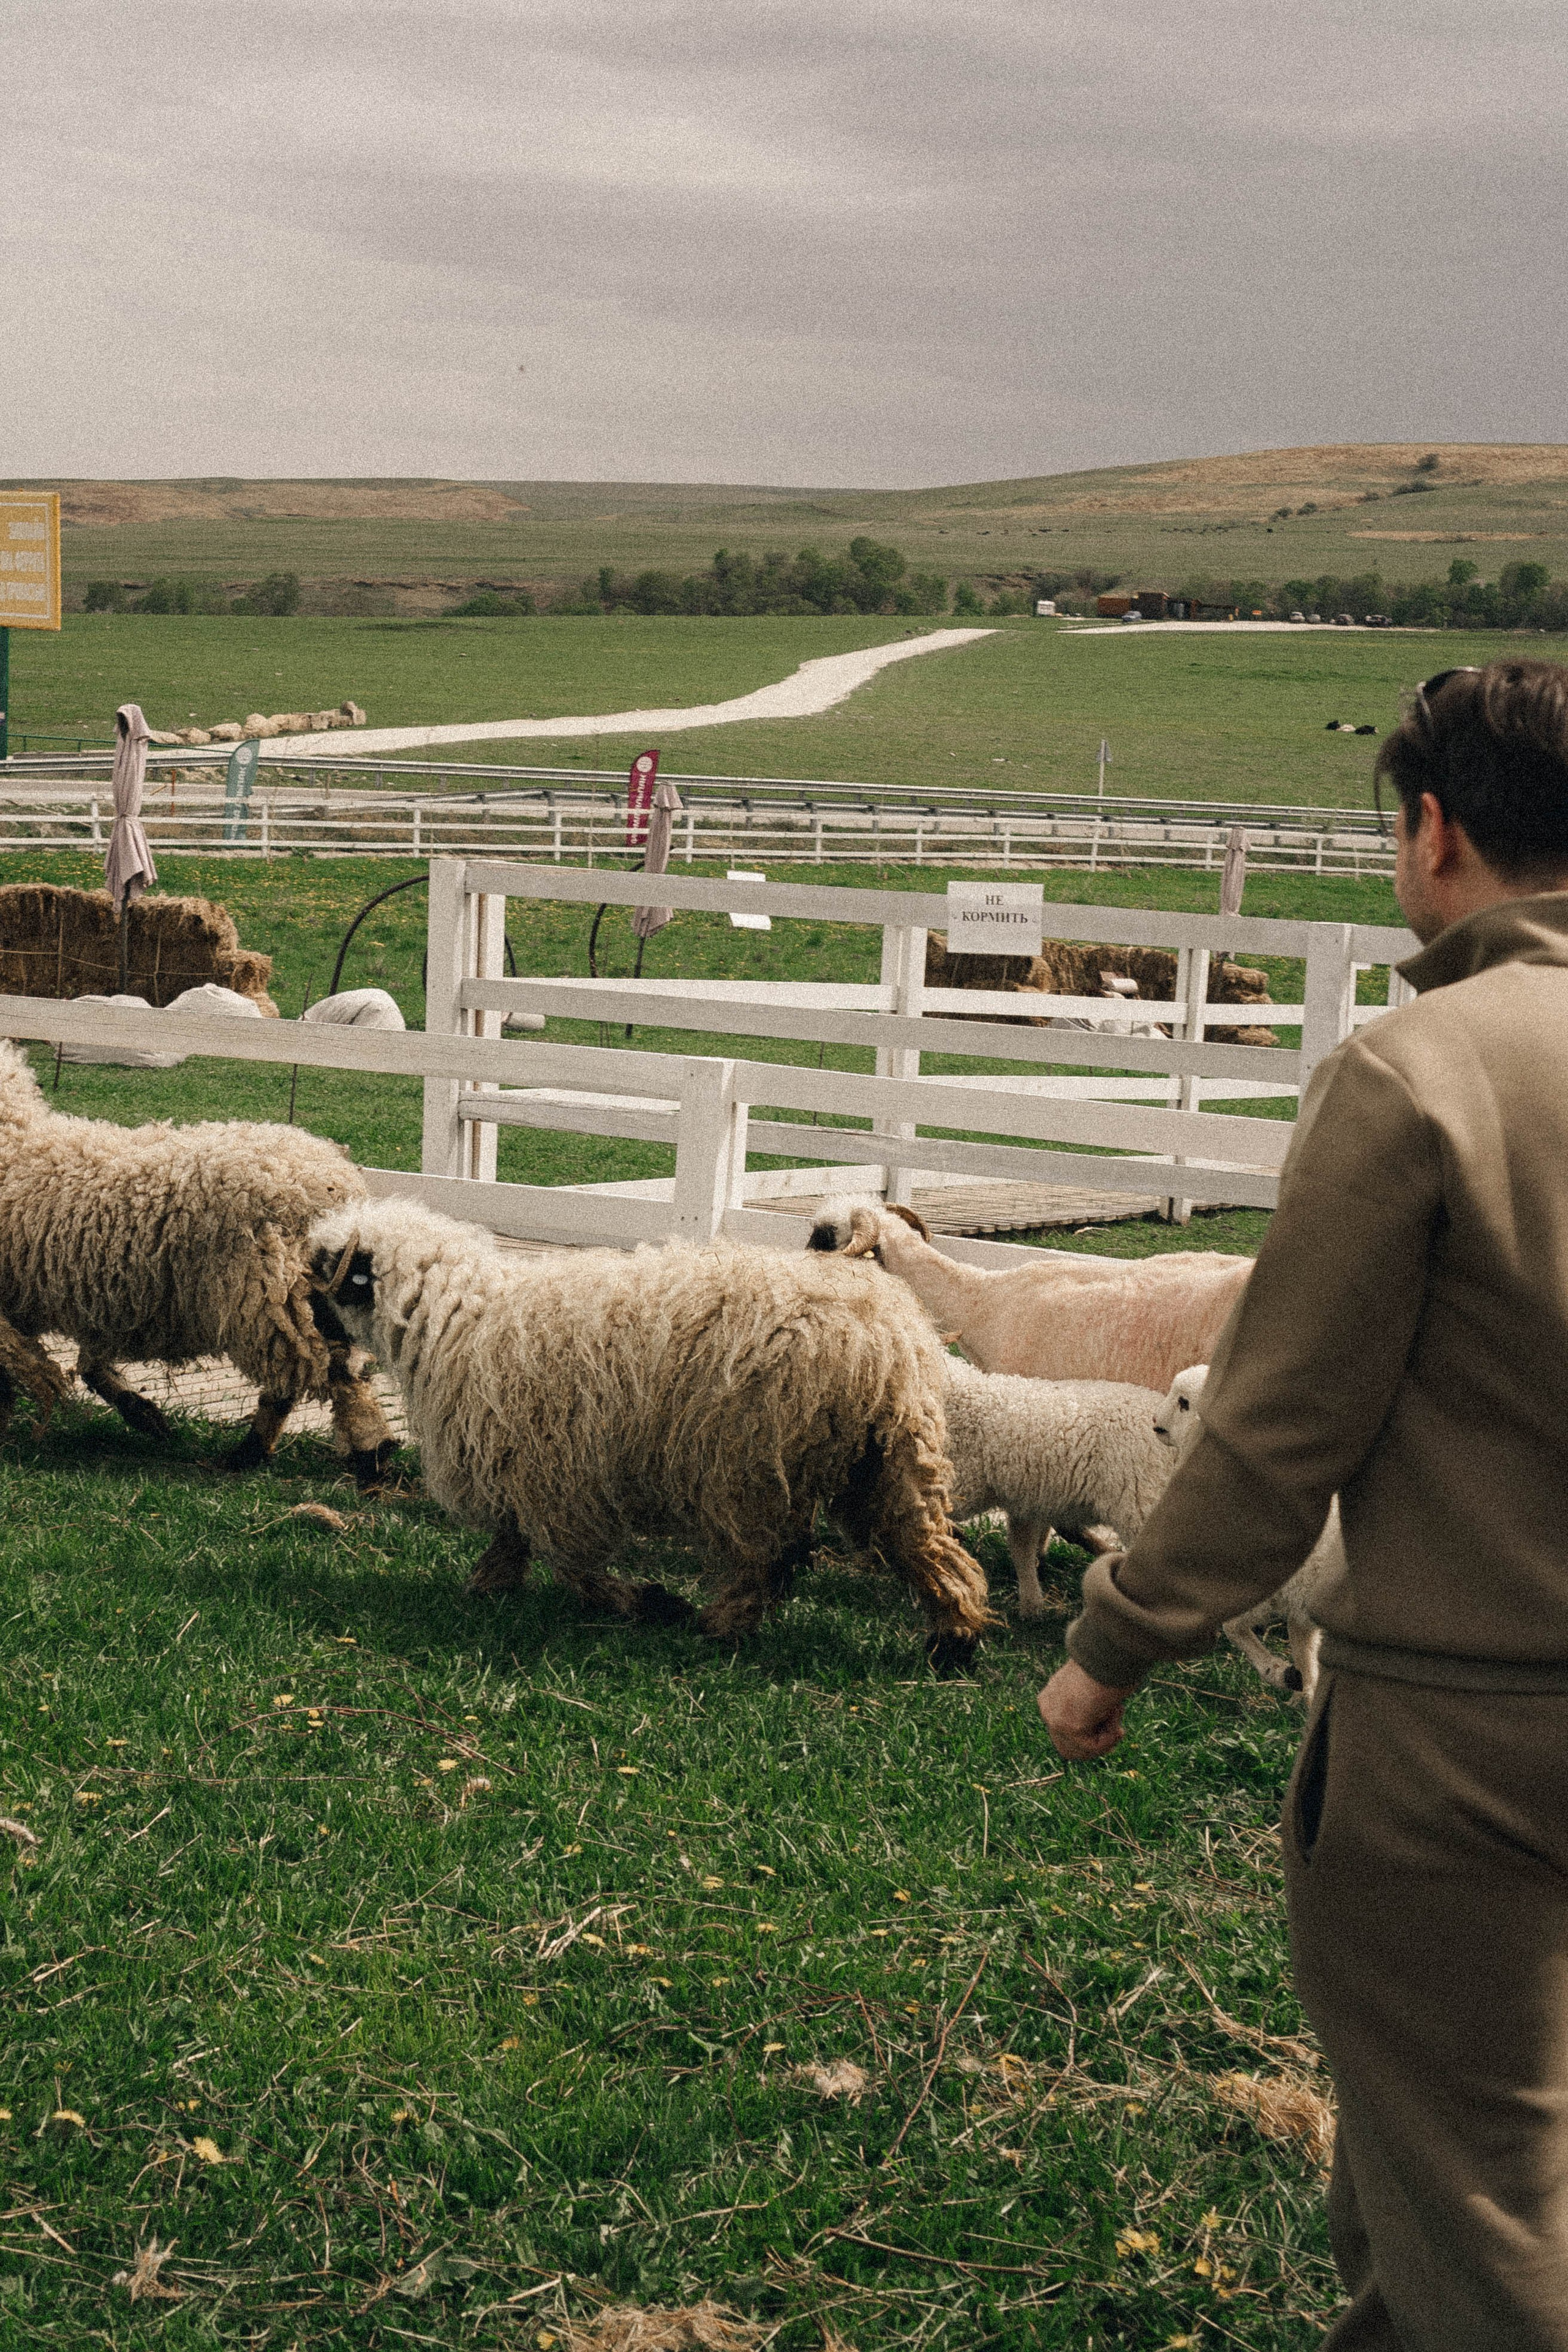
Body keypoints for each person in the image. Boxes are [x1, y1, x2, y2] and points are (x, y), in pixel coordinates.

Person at [1039, 660, 1568, 2351]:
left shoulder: (1421, 1073)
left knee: (1478, 2195)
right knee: (1424, 2190)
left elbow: (1277, 1431)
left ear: (1433, 830)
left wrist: (1114, 1641)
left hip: (1466, 1737)